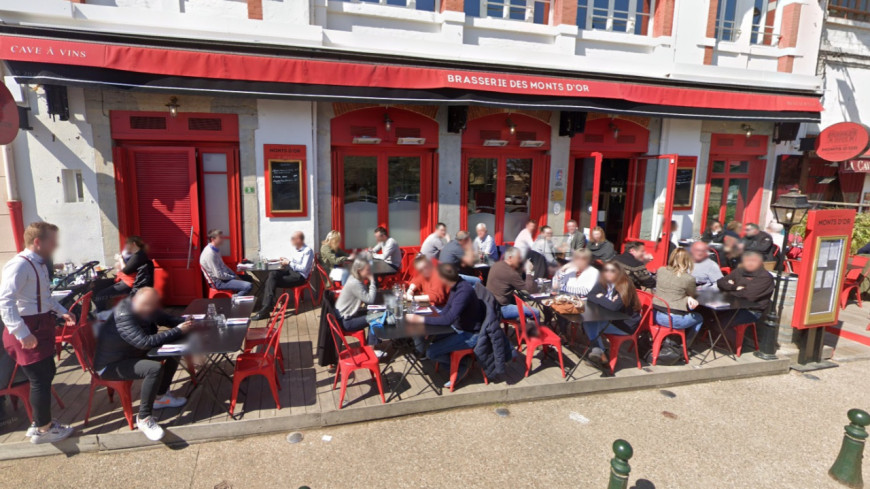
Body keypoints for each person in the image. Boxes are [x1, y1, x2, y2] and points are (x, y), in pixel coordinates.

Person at [0, 222, 75, 444]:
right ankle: (44, 430)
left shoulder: (40, 264)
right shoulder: (19, 265)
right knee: (40, 378)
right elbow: (5, 302)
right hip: (27, 328)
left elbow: (45, 298)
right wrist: (22, 333)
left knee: (47, 372)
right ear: (37, 242)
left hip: (41, 326)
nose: (56, 245)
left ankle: (39, 423)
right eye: (52, 241)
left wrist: (62, 312)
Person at [93, 288, 193, 441]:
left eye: (152, 305)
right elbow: (144, 343)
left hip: (131, 354)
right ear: (135, 301)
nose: (150, 308)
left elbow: (167, 319)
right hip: (111, 364)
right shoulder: (124, 314)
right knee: (153, 369)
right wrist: (178, 331)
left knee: (174, 350)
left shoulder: (146, 307)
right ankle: (144, 418)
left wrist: (188, 322)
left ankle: (160, 397)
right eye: (146, 304)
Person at [405, 264, 486, 388]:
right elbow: (446, 310)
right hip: (458, 327)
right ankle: (453, 361)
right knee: (428, 338)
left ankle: (463, 364)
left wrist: (420, 319)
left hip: (470, 334)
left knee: (431, 352)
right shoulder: (456, 285)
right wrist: (428, 318)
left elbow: (448, 319)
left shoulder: (463, 291)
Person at [583, 263, 642, 365]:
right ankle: (600, 352)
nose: (608, 273)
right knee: (589, 321)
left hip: (625, 325)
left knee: (591, 323)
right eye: (606, 271)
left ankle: (599, 352)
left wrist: (600, 297)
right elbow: (590, 296)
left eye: (612, 271)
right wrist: (607, 301)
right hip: (610, 319)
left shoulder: (625, 286)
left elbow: (614, 307)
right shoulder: (603, 282)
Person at [252, 231, 314, 320]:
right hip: (291, 271)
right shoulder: (297, 250)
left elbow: (303, 268)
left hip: (299, 276)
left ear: (299, 240)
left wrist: (289, 262)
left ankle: (266, 308)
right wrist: (285, 260)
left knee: (271, 280)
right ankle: (268, 306)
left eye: (293, 239)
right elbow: (294, 263)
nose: (291, 241)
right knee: (272, 274)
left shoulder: (307, 251)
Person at [653, 248, 704, 341]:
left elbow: (668, 289)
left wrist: (686, 297)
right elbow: (693, 295)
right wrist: (688, 298)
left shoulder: (661, 270)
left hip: (654, 314)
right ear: (688, 261)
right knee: (699, 317)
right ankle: (684, 345)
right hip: (672, 319)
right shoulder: (688, 278)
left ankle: (672, 340)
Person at [334, 258, 383, 354]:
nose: (370, 272)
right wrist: (373, 281)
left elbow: (366, 297)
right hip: (347, 322)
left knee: (375, 311)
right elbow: (370, 299)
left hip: (348, 315)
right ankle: (372, 350)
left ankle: (374, 342)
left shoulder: (355, 279)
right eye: (367, 270)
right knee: (376, 317)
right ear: (359, 271)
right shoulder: (355, 283)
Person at [94, 236, 154, 311]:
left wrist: (120, 259)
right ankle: (104, 311)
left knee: (100, 295)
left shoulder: (139, 255)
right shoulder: (135, 254)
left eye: (127, 244)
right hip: (124, 279)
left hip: (130, 283)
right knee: (96, 285)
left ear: (134, 244)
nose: (125, 246)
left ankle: (102, 314)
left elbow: (126, 271)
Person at [716, 251, 775, 325]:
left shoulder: (765, 277)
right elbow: (720, 282)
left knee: (719, 323)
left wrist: (726, 291)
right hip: (732, 306)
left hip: (751, 311)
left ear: (760, 263)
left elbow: (747, 296)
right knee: (707, 315)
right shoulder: (740, 271)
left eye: (753, 261)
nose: (750, 263)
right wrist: (734, 287)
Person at [485, 247, 539, 321]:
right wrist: (529, 271)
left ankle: (524, 325)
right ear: (510, 258)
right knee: (535, 312)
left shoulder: (496, 265)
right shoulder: (511, 273)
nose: (520, 261)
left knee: (517, 301)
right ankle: (535, 329)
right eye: (518, 258)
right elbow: (530, 289)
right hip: (501, 309)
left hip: (491, 305)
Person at [199, 229, 253, 296]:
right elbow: (219, 275)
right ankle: (234, 300)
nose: (223, 239)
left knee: (248, 278)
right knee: (248, 286)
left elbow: (223, 266)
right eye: (220, 237)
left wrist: (234, 275)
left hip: (223, 278)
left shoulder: (216, 250)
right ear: (213, 239)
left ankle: (237, 295)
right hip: (218, 282)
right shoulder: (210, 254)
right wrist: (233, 277)